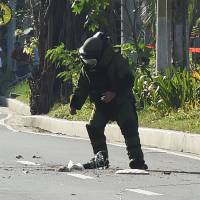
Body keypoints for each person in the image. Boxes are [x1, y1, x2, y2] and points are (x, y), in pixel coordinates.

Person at [69, 32, 148, 170]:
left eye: (91, 61)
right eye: (86, 61)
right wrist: (75, 104)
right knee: (94, 128)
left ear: (99, 56)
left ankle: (137, 160)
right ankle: (101, 158)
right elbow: (82, 87)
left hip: (121, 101)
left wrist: (114, 92)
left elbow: (128, 79)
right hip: (101, 104)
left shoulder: (116, 61)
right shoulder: (86, 69)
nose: (89, 64)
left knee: (130, 128)